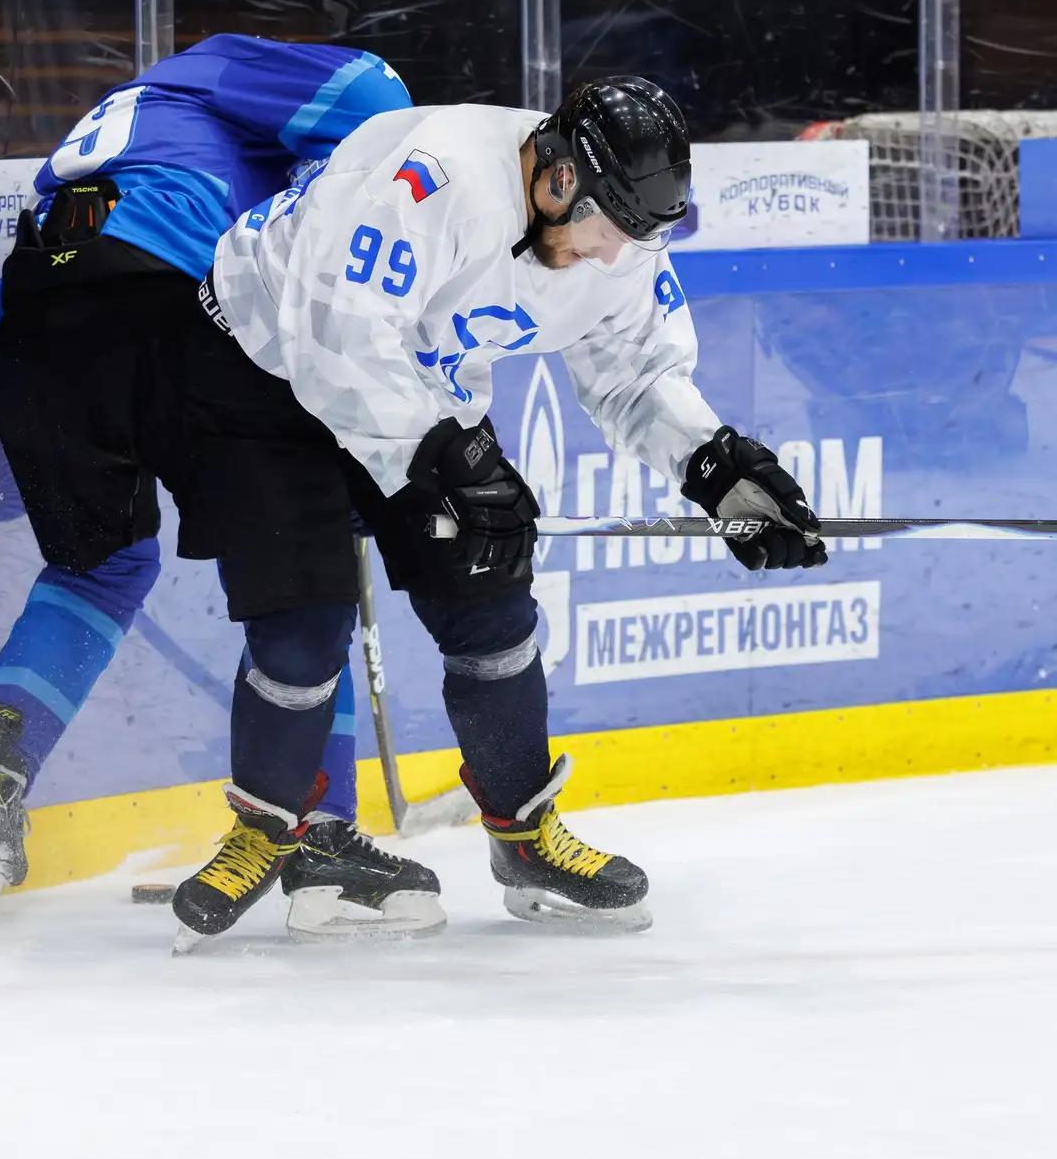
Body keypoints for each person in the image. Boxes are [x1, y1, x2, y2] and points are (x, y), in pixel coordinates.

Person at [172, 75, 829, 941]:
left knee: (489, 592)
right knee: (301, 618)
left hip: (415, 378)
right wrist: (444, 458)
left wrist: (713, 466)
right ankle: (264, 832)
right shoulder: (432, 179)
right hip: (262, 365)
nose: (611, 258)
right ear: (559, 178)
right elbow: (337, 337)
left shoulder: (621, 227)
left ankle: (524, 839)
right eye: (604, 231)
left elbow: (636, 372)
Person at [0, 35, 444, 942]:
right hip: (173, 300)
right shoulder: (271, 75)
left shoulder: (152, 115)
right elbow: (386, 134)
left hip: (40, 312)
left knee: (102, 566)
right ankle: (320, 837)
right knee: (305, 577)